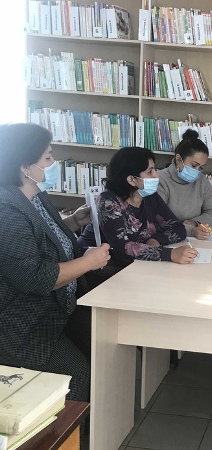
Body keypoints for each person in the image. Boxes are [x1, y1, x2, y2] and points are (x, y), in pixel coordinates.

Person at [0, 123, 110, 402]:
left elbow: (44, 238)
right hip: (23, 323)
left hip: (60, 307)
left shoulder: (36, 195)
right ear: (25, 166)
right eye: (48, 157)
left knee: (105, 347)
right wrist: (88, 262)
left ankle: (96, 418)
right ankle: (67, 428)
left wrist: (73, 222)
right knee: (77, 375)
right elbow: (35, 276)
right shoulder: (6, 210)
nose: (54, 163)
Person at [78, 146, 195, 281]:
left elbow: (178, 228)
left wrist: (156, 240)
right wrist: (171, 254)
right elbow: (123, 249)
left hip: (134, 265)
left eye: (154, 169)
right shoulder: (108, 201)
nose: (156, 175)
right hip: (100, 269)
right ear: (131, 180)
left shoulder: (149, 196)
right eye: (150, 171)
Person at [157, 129, 212, 240]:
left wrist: (195, 222)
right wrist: (190, 230)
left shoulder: (202, 180)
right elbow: (159, 220)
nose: (197, 171)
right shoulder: (160, 179)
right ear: (178, 159)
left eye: (201, 167)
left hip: (195, 239)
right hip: (167, 238)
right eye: (194, 165)